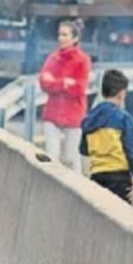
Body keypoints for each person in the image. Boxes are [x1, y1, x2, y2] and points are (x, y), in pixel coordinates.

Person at [80, 69, 133, 202]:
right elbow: (131, 151)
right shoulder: (124, 118)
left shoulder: (90, 119)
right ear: (122, 94)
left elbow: (83, 150)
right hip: (119, 178)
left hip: (97, 175)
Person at [38, 18, 92, 171]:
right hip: (53, 114)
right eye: (59, 35)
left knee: (71, 158)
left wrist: (55, 82)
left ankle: (77, 190)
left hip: (73, 116)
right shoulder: (53, 58)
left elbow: (80, 88)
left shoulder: (83, 60)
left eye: (64, 35)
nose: (60, 38)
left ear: (74, 39)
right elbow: (43, 82)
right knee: (51, 156)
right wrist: (64, 83)